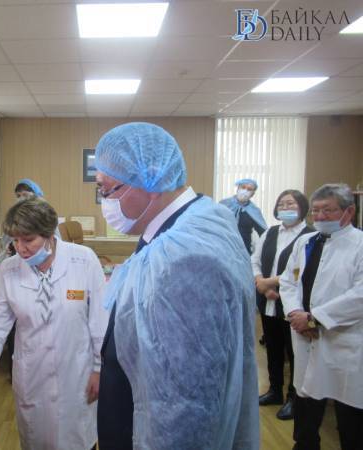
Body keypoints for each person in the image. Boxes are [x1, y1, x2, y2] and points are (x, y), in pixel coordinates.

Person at [94, 122, 259, 450]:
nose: (104, 201)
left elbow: (185, 403)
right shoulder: (191, 223)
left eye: (107, 189)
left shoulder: (185, 257)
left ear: (151, 181)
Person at [0, 198, 109, 450]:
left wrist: (99, 368)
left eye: (28, 240)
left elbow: (100, 320)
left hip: (76, 373)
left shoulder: (83, 260)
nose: (21, 249)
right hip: (32, 376)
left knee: (77, 441)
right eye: (15, 240)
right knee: (35, 441)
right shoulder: (9, 269)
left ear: (49, 234)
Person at [280, 183, 363, 450]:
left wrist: (314, 318)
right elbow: (288, 282)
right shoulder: (305, 242)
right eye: (315, 211)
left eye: (328, 210)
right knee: (306, 409)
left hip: (343, 342)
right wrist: (295, 313)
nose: (320, 216)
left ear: (349, 211)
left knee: (350, 418)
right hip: (304, 336)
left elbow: (359, 296)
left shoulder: (360, 244)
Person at [251, 190, 313, 421]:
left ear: (302, 207)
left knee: (294, 351)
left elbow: (298, 270)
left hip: (293, 303)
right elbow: (255, 260)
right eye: (282, 204)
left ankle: (294, 398)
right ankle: (274, 390)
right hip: (267, 300)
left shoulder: (310, 235)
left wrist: (269, 282)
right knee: (273, 347)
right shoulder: (270, 232)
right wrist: (261, 283)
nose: (285, 208)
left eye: (291, 204)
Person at [0, 178, 48, 288]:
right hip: (15, 265)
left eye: (25, 195)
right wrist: (8, 248)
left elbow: (55, 244)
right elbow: (4, 243)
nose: (21, 199)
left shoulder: (45, 216)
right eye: (18, 196)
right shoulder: (13, 217)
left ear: (36, 196)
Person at [220, 178, 267, 254]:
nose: (245, 191)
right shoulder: (224, 204)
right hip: (222, 247)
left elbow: (263, 233)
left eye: (249, 189)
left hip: (243, 250)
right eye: (243, 187)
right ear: (238, 189)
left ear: (252, 194)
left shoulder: (254, 211)